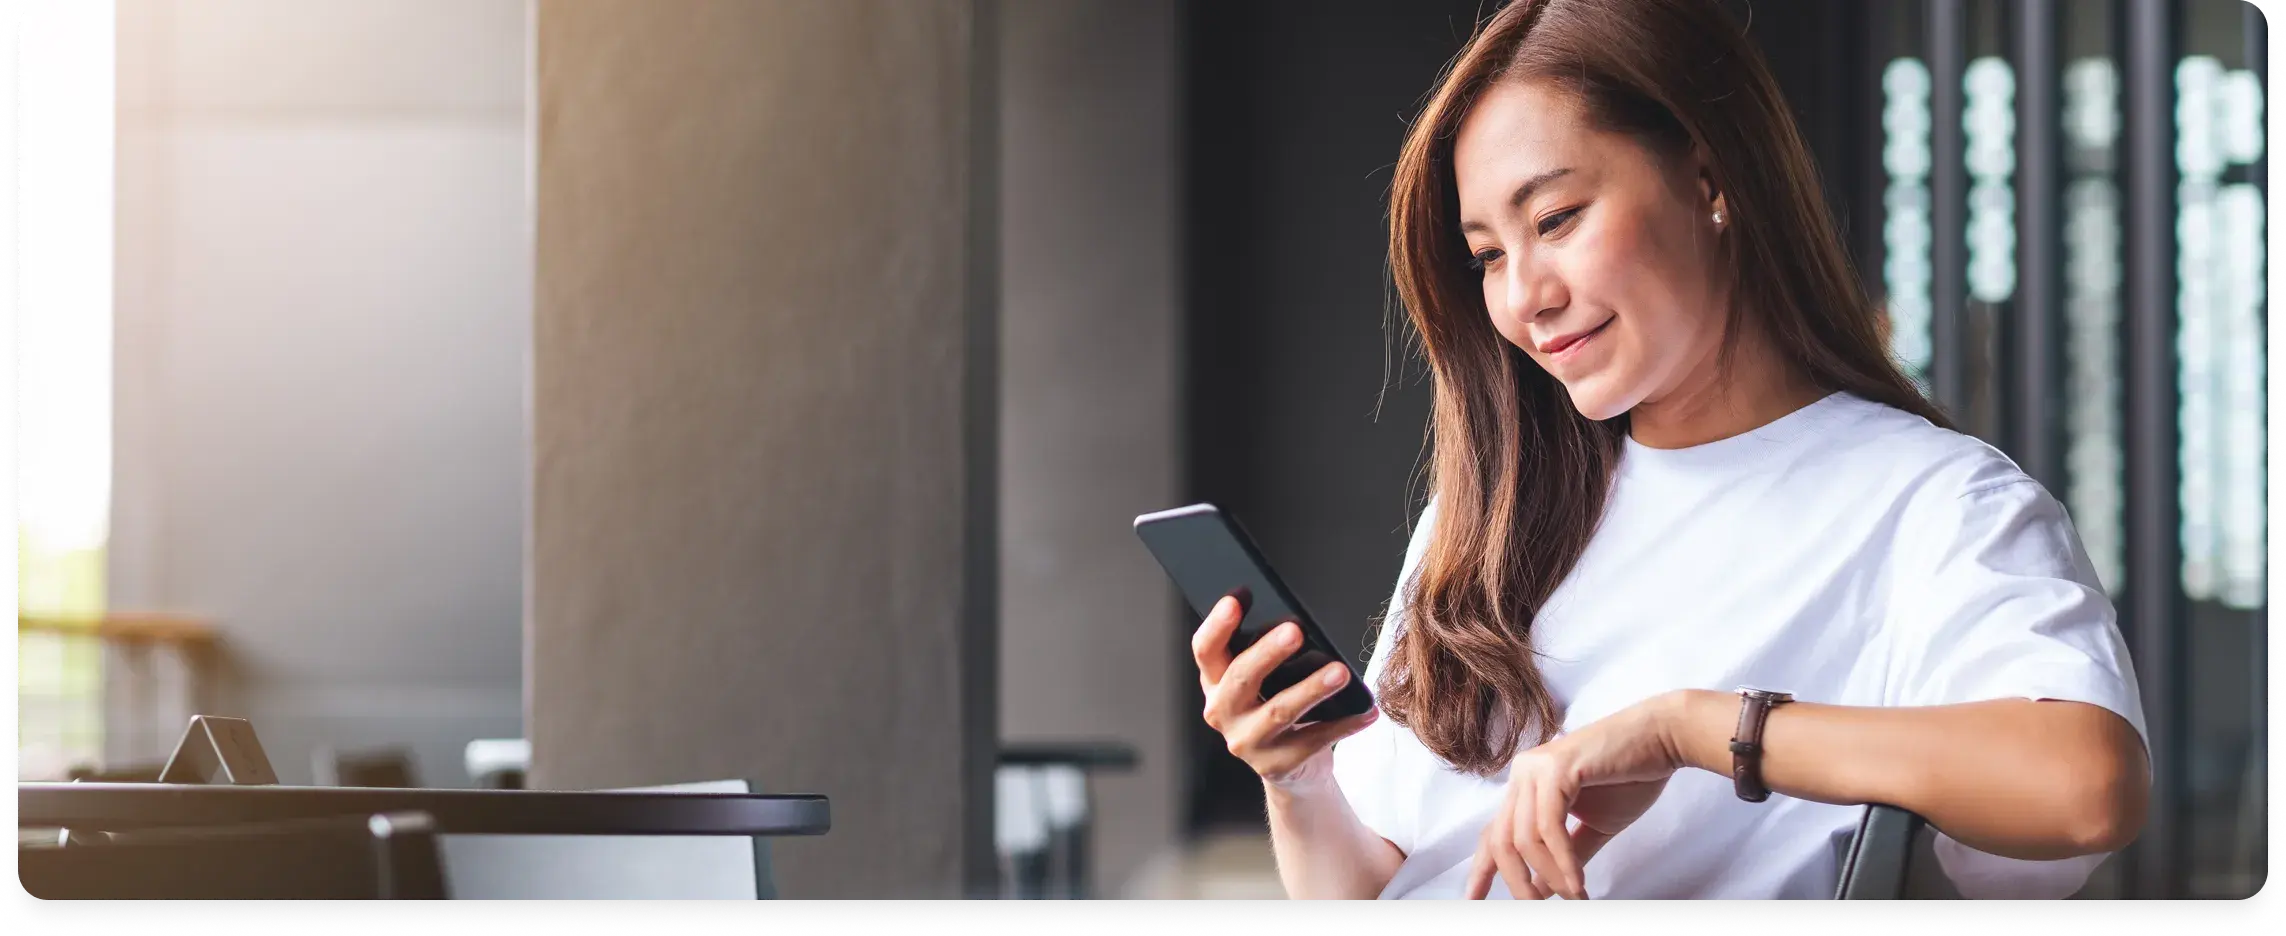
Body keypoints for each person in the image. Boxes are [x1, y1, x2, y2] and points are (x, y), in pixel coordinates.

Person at [1187, 0, 2147, 900]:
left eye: (1556, 220)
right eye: (1487, 254)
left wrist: (1690, 729)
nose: (1524, 296)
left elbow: (2086, 787)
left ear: (1709, 177)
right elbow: (1380, 880)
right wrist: (1300, 777)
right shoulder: (1488, 516)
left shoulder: (1930, 506)